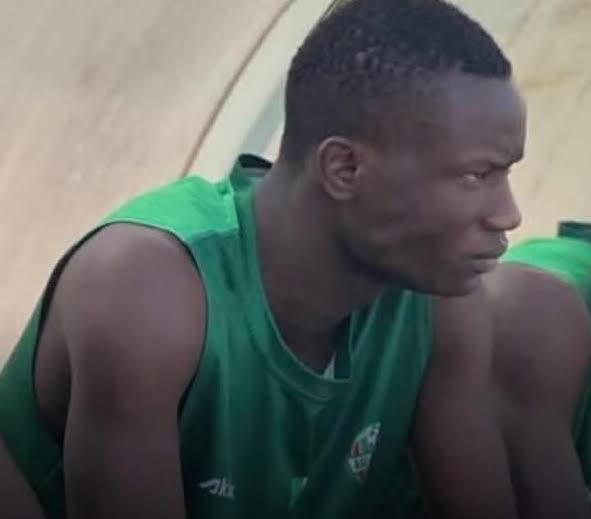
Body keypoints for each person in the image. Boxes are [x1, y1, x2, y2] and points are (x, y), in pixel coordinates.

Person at [0, 0, 526, 517]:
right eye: (476, 175)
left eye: (506, 173)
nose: (508, 215)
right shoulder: (147, 290)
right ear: (344, 169)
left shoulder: (443, 307)